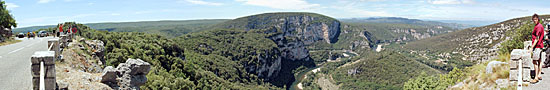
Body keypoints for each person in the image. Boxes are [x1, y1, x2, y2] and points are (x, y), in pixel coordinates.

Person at [530, 13, 545, 83]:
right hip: (541, 45)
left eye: (535, 19)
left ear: (538, 19)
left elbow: (537, 38)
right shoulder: (540, 26)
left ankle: (536, 78)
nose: (534, 21)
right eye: (533, 19)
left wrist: (532, 47)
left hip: (537, 46)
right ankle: (539, 74)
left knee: (534, 61)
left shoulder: (538, 27)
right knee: (539, 60)